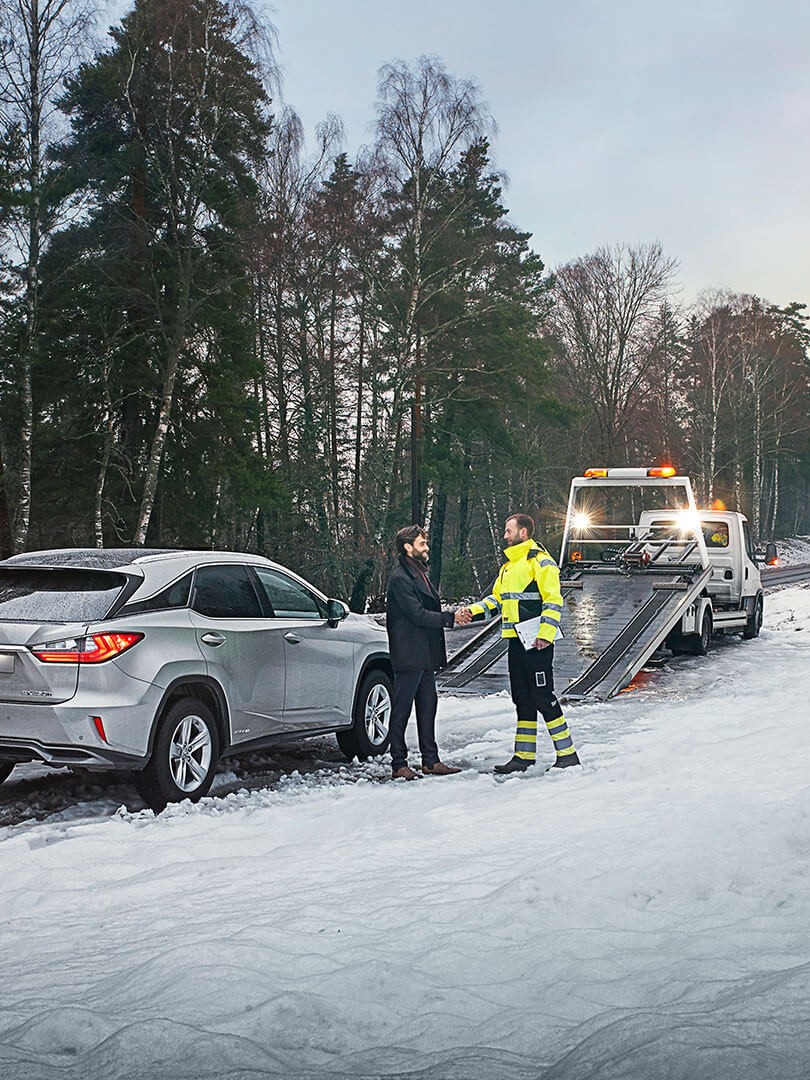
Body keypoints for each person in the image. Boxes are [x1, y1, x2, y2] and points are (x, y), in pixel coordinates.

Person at [460, 513, 581, 774]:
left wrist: (546, 634)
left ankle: (567, 754)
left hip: (537, 642)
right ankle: (523, 757)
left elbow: (553, 600)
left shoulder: (540, 561)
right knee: (522, 699)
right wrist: (472, 611)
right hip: (516, 642)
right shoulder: (508, 568)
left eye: (508, 530)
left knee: (542, 696)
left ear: (523, 532)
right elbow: (496, 601)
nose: (505, 536)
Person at [386, 525, 466, 780]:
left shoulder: (418, 573)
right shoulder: (401, 578)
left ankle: (430, 760)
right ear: (408, 547)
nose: (426, 547)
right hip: (409, 654)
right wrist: (450, 618)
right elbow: (416, 614)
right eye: (421, 543)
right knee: (401, 710)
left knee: (427, 706)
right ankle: (398, 763)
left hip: (424, 654)